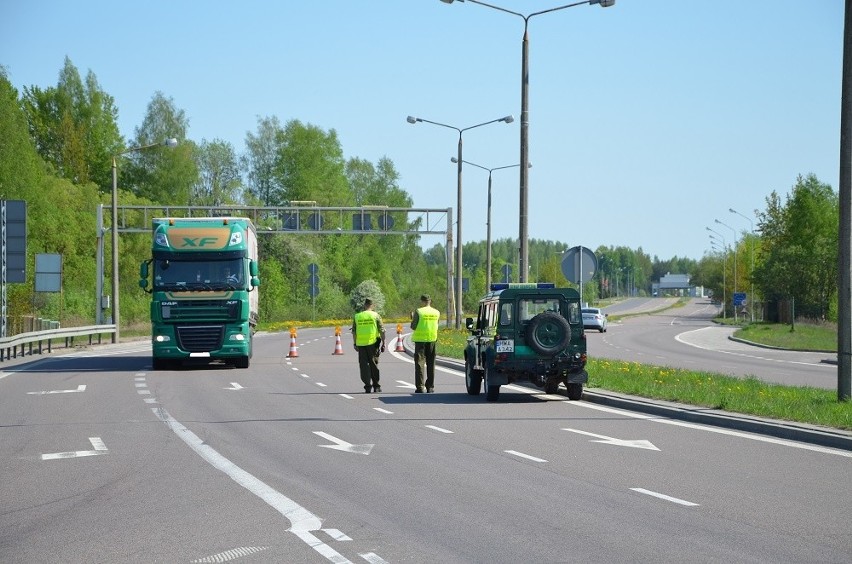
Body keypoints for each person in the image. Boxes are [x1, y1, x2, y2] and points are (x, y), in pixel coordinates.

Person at [352, 298, 386, 393]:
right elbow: (382, 330)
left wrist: (355, 343)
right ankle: (376, 386)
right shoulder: (376, 315)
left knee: (364, 365)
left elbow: (354, 332)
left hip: (361, 344)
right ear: (373, 305)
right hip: (373, 344)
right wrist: (384, 343)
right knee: (373, 364)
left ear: (364, 305)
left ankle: (367, 386)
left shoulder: (357, 316)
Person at [410, 294, 440, 393]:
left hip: (420, 341)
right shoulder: (436, 312)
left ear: (422, 301)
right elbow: (437, 324)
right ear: (430, 301)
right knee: (431, 364)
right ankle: (430, 386)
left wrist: (412, 318)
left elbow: (413, 326)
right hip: (432, 339)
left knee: (420, 363)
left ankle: (420, 387)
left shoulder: (419, 311)